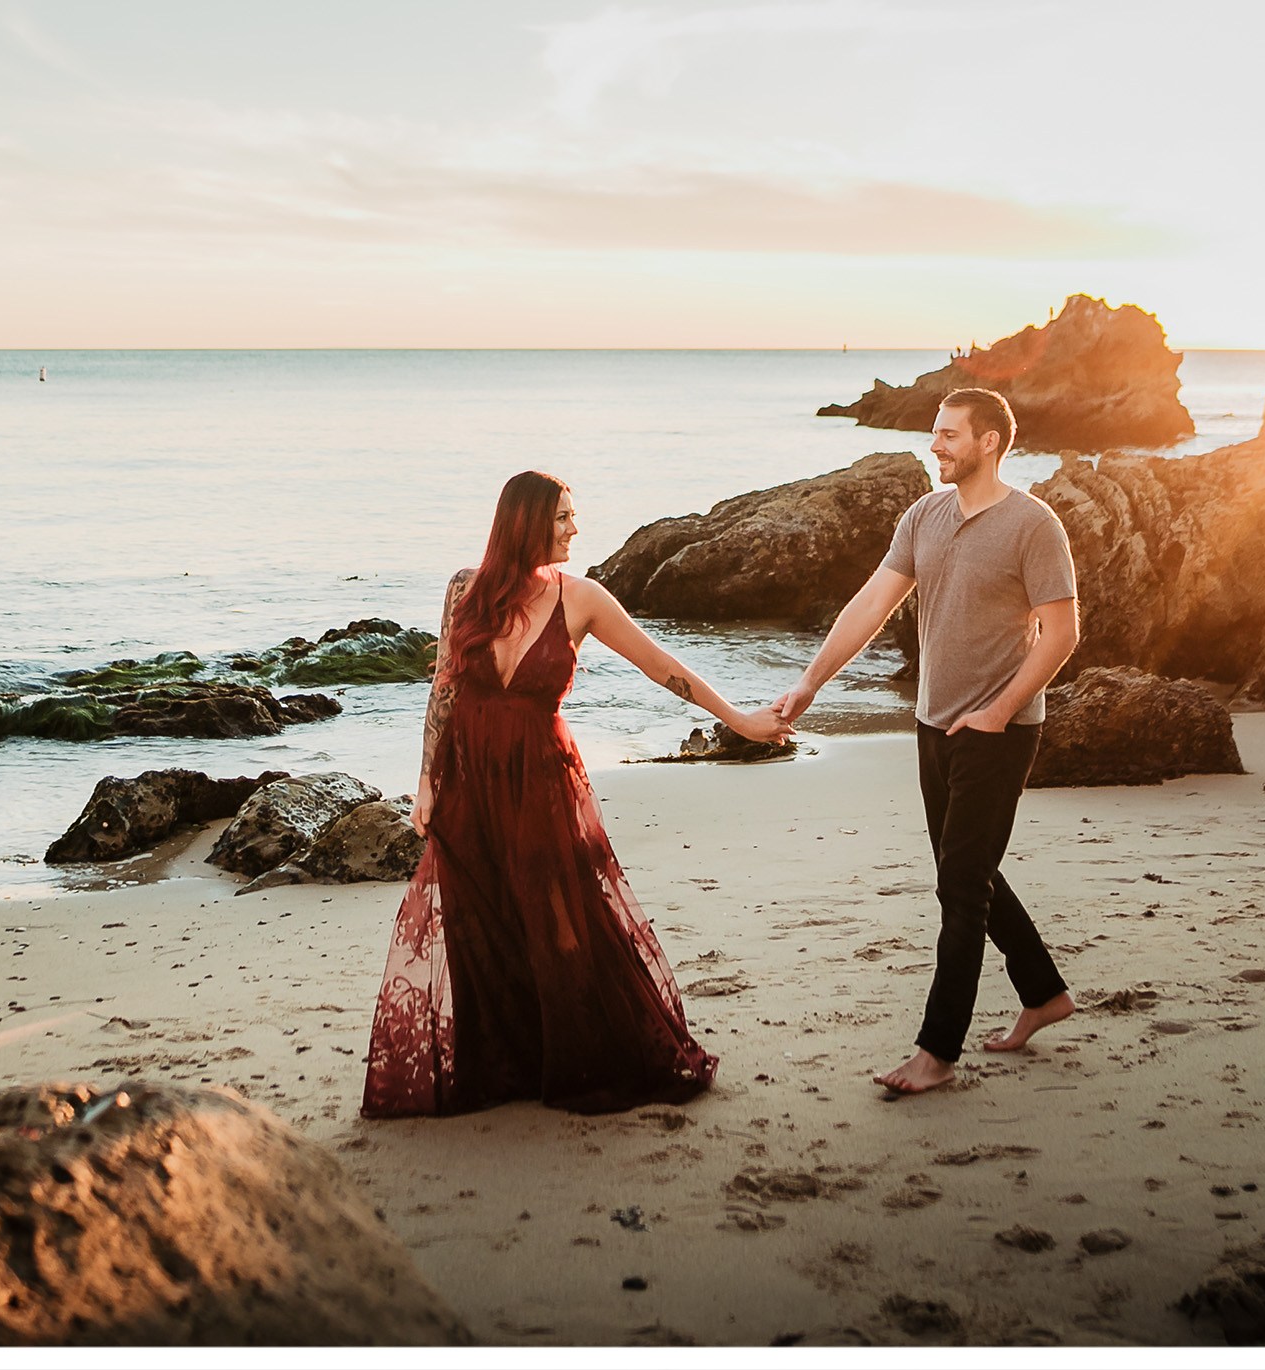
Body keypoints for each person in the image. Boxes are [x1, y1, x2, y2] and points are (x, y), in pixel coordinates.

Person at [361, 470, 788, 1118]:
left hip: (540, 778)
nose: (575, 528)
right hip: (469, 780)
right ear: (527, 522)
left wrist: (743, 722)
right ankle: (511, 1061)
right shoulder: (463, 590)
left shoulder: (582, 598)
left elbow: (663, 667)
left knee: (560, 915)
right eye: (563, 517)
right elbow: (444, 687)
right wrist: (427, 779)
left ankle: (579, 1054)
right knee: (481, 918)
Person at [769, 389, 1081, 1095]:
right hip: (934, 722)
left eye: (948, 435)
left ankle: (937, 1051)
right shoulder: (925, 516)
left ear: (990, 442)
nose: (934, 446)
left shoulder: (1034, 526)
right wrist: (811, 683)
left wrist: (1000, 711)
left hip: (999, 733)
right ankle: (1044, 995)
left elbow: (1062, 634)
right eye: (935, 433)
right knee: (965, 872)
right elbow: (871, 604)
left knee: (961, 887)